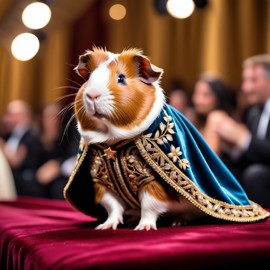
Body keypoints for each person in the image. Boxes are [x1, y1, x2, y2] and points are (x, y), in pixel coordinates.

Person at [210, 54, 270, 208]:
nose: (245, 87)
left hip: (260, 175)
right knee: (228, 172)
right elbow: (250, 154)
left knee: (255, 174)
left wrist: (243, 138)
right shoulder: (254, 112)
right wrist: (232, 146)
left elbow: (250, 144)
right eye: (245, 80)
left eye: (253, 80)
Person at [0, 100, 46, 197]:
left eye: (10, 114)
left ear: (22, 116)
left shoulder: (33, 137)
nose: (6, 118)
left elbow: (21, 163)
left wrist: (4, 148)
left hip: (25, 181)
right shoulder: (9, 134)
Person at [35, 102, 78, 200]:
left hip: (59, 178)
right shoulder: (35, 139)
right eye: (49, 116)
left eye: (57, 117)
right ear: (42, 119)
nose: (54, 120)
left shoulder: (67, 137)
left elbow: (71, 156)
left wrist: (58, 165)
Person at [190, 73, 234, 156]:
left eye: (205, 95)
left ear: (218, 98)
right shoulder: (201, 119)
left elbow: (209, 159)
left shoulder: (217, 118)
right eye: (196, 93)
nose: (198, 100)